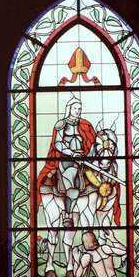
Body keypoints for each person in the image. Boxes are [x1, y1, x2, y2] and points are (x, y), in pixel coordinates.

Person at [37, 94, 96, 227]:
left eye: (79, 108)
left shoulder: (84, 125)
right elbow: (58, 143)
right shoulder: (61, 125)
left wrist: (86, 155)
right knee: (72, 185)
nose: (77, 111)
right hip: (66, 161)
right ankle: (68, 216)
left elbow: (90, 142)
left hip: (82, 160)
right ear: (69, 108)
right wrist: (72, 153)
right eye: (75, 108)